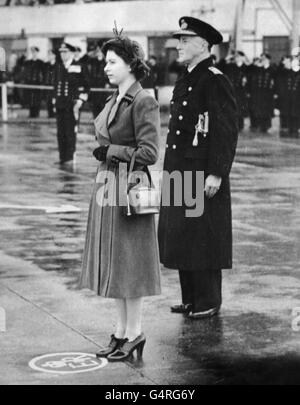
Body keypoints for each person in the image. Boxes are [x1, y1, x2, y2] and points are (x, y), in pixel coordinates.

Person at [79, 33, 161, 361]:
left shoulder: (144, 100)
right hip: (110, 185)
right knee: (115, 261)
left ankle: (135, 330)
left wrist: (110, 150)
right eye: (106, 62)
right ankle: (121, 332)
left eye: (113, 62)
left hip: (130, 188)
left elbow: (150, 151)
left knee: (131, 263)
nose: (106, 67)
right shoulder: (116, 98)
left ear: (131, 65)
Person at [158, 16, 238, 319]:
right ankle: (190, 297)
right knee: (182, 234)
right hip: (181, 170)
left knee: (203, 235)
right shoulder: (188, 77)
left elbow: (226, 129)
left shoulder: (214, 79)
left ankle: (208, 300)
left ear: (203, 44)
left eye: (184, 40)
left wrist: (218, 171)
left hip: (202, 172)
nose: (179, 45)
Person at [52, 42, 89, 165]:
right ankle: (63, 157)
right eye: (61, 52)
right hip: (60, 104)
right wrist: (54, 100)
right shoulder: (58, 66)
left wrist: (81, 100)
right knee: (60, 132)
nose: (63, 55)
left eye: (65, 52)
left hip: (72, 105)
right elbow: (55, 85)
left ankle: (69, 158)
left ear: (72, 53)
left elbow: (86, 86)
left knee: (70, 132)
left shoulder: (79, 66)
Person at [248, 53, 275, 133]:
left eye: (264, 59)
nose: (262, 60)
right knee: (259, 109)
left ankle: (266, 126)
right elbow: (250, 72)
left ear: (268, 60)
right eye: (261, 59)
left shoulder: (272, 69)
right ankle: (260, 125)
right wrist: (256, 65)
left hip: (268, 93)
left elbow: (275, 82)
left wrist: (274, 92)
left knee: (267, 110)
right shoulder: (259, 69)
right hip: (259, 93)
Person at [87, 42, 110, 118]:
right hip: (94, 86)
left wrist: (107, 82)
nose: (99, 53)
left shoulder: (107, 62)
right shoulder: (92, 61)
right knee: (95, 106)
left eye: (101, 51)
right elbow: (89, 73)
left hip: (103, 86)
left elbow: (109, 74)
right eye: (98, 51)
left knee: (103, 105)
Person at [23, 46, 45, 118]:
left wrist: (42, 83)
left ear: (37, 53)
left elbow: (43, 73)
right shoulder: (28, 62)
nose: (34, 53)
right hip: (30, 83)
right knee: (30, 99)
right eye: (32, 52)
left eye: (35, 52)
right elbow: (24, 70)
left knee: (37, 99)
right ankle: (31, 113)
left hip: (37, 83)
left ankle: (36, 113)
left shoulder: (41, 62)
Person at [44, 49, 57, 118]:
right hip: (48, 86)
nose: (49, 56)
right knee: (48, 102)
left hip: (55, 86)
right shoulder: (46, 65)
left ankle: (54, 115)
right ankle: (50, 115)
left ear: (54, 56)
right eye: (49, 54)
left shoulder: (58, 65)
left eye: (51, 54)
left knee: (54, 102)